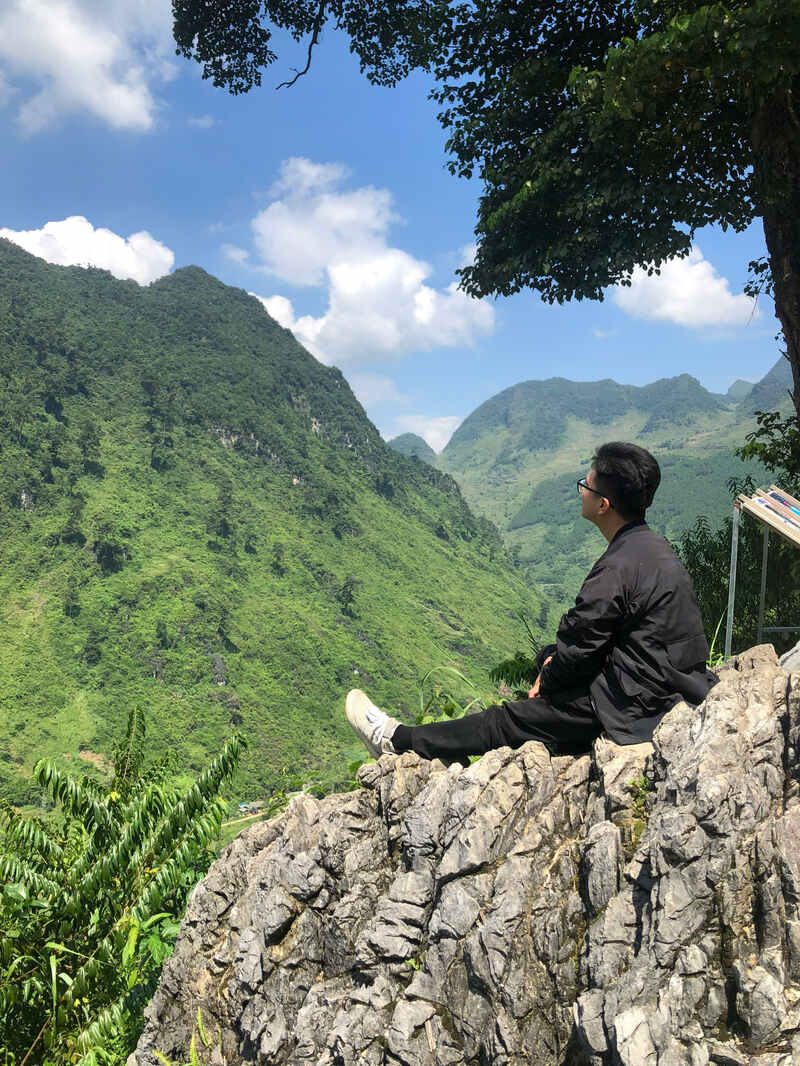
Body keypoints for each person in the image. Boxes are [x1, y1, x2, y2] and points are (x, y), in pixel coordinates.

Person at [346, 441, 714, 762]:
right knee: (547, 653)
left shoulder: (615, 569)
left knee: (507, 719)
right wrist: (552, 662)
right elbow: (590, 638)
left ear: (603, 505)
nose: (581, 491)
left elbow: (579, 650)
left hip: (633, 707)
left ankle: (399, 741)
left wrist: (548, 683)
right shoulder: (655, 549)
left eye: (585, 485)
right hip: (670, 684)